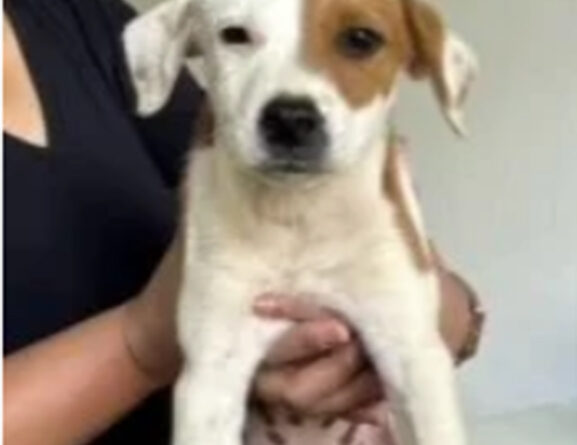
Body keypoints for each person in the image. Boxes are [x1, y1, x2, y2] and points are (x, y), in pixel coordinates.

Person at [3, 0, 484, 444]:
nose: (292, 98)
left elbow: (435, 344)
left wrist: (447, 312)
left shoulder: (76, 19)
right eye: (237, 36)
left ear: (432, 64)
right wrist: (143, 341)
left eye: (358, 41)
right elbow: (210, 389)